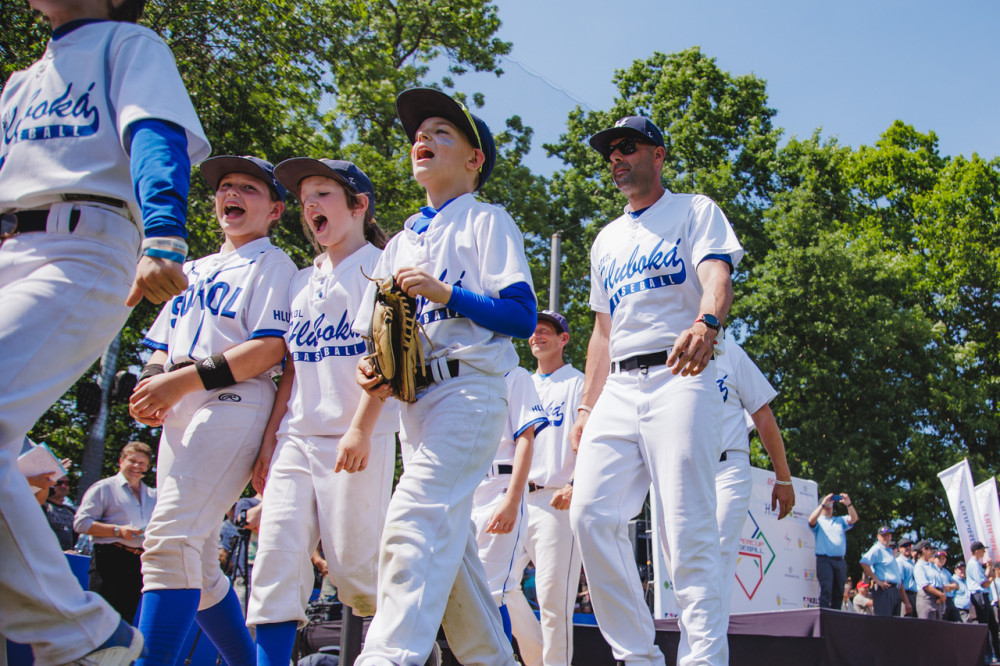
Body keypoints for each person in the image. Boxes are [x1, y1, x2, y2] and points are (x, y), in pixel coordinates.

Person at [0, 0, 209, 660]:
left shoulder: (127, 42)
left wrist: (167, 234)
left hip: (84, 245)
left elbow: (156, 134)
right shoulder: (21, 81)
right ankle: (84, 640)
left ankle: (88, 637)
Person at [353, 88, 536, 665]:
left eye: (441, 132)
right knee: (452, 555)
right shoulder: (401, 241)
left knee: (414, 519)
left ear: (474, 159)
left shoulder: (486, 219)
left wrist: (447, 293)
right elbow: (375, 336)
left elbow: (521, 315)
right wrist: (370, 367)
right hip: (416, 401)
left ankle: (387, 657)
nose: (422, 140)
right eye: (418, 133)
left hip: (469, 388)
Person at [567, 115, 743, 666]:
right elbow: (602, 331)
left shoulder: (695, 210)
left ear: (658, 154)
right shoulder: (606, 239)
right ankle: (637, 657)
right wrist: (586, 406)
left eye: (626, 147)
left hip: (682, 375)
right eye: (609, 152)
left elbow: (717, 275)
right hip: (618, 384)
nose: (615, 158)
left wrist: (707, 323)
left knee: (686, 535)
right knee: (590, 516)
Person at [129, 155, 296, 665]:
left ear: (275, 210)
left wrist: (177, 381)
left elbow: (269, 348)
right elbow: (159, 345)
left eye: (250, 187)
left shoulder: (274, 264)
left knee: (169, 542)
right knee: (197, 562)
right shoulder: (193, 268)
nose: (234, 194)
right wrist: (151, 382)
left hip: (235, 396)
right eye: (226, 186)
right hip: (180, 401)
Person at [246, 158, 398, 666]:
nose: (311, 205)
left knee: (357, 574)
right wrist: (270, 438)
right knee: (274, 564)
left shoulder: (380, 266)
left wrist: (360, 429)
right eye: (305, 197)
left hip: (357, 436)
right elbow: (291, 367)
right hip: (299, 436)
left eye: (324, 194)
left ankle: (410, 651)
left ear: (358, 205)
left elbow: (387, 358)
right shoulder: (300, 281)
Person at [507, 310, 585, 666]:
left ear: (563, 339)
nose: (537, 336)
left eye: (546, 332)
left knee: (554, 603)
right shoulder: (520, 383)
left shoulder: (579, 384)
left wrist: (575, 483)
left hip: (556, 499)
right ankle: (538, 661)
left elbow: (592, 441)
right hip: (514, 498)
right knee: (499, 586)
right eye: (533, 332)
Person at [713, 339, 795, 624]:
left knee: (717, 558)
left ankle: (707, 655)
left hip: (728, 468)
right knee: (685, 567)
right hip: (684, 472)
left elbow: (762, 415)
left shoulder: (729, 351)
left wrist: (783, 478)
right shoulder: (665, 347)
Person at [74, 442, 157, 623]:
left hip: (138, 563)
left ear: (148, 467)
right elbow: (81, 523)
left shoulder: (153, 495)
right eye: (132, 461)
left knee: (124, 621)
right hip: (109, 560)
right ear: (121, 461)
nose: (137, 467)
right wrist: (118, 531)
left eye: (142, 463)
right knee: (100, 619)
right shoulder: (103, 488)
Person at [808, 492, 858, 610]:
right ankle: (825, 618)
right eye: (827, 504)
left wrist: (849, 504)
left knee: (839, 592)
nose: (830, 507)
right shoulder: (819, 521)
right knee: (826, 590)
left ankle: (836, 617)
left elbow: (854, 519)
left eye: (831, 504)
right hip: (825, 560)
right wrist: (822, 505)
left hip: (840, 561)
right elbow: (811, 520)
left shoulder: (839, 520)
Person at [859, 525, 911, 617]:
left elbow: (898, 578)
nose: (886, 538)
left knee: (893, 626)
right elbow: (864, 562)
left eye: (888, 535)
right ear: (878, 537)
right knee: (883, 623)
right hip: (885, 590)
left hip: (895, 590)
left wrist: (906, 601)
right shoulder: (877, 549)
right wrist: (876, 580)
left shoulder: (889, 551)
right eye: (883, 535)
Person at [967, 541, 998, 658]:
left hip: (983, 596)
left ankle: (995, 653)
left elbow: (983, 578)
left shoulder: (976, 564)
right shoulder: (973, 564)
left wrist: (989, 568)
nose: (984, 552)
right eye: (983, 550)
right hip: (979, 596)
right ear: (977, 551)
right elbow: (984, 584)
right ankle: (987, 654)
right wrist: (992, 579)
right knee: (985, 626)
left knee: (993, 626)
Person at [43, 473, 78, 551]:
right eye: (59, 483)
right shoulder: (43, 507)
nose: (63, 486)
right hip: (45, 552)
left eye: (67, 483)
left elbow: (75, 534)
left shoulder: (71, 511)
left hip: (66, 554)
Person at [913, 540, 947, 620]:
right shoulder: (919, 566)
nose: (932, 552)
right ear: (924, 550)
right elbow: (925, 586)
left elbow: (939, 582)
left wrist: (941, 595)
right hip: (927, 599)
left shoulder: (932, 566)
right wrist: (940, 594)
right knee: (928, 627)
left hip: (937, 599)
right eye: (930, 550)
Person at [935, 551, 961, 621]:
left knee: (957, 621)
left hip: (949, 599)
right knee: (943, 621)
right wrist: (947, 587)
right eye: (939, 558)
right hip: (940, 599)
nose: (941, 560)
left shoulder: (946, 572)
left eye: (943, 558)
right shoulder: (933, 570)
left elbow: (956, 585)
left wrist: (948, 587)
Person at [896, 538, 918, 617]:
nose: (908, 547)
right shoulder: (899, 562)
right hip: (905, 595)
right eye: (905, 546)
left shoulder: (912, 563)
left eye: (909, 545)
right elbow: (899, 583)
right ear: (899, 549)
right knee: (906, 624)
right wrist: (906, 602)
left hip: (915, 596)